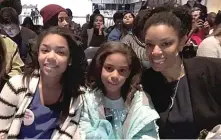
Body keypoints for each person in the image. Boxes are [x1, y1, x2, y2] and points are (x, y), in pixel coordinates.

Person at [141, 4, 221, 139]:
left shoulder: (210, 70)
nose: (155, 52)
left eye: (165, 44)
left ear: (182, 42)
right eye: (149, 44)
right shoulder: (145, 81)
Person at [0, 26, 86, 139]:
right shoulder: (16, 86)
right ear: (38, 54)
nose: (51, 57)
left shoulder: (77, 97)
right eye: (45, 50)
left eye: (60, 52)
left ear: (70, 59)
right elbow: (2, 131)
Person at [80, 41, 159, 139]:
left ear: (129, 72)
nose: (114, 76)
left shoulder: (140, 102)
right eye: (109, 68)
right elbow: (83, 131)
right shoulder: (88, 100)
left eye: (122, 70)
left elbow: (147, 135)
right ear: (100, 68)